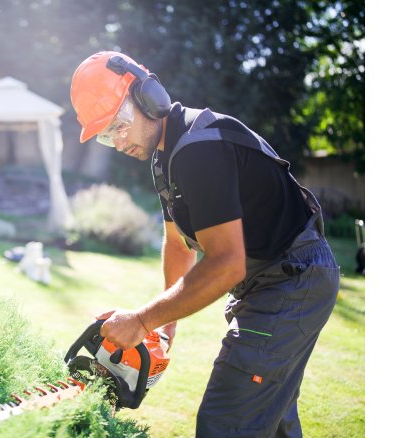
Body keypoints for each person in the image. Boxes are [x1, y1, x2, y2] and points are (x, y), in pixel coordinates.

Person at [69, 51, 340, 437]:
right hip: (271, 281)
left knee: (225, 422)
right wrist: (166, 326)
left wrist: (143, 320)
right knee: (270, 417)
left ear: (150, 97)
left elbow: (226, 264)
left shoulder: (200, 148)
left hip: (292, 279)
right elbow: (178, 245)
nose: (118, 140)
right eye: (106, 135)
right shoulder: (165, 156)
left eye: (120, 125)